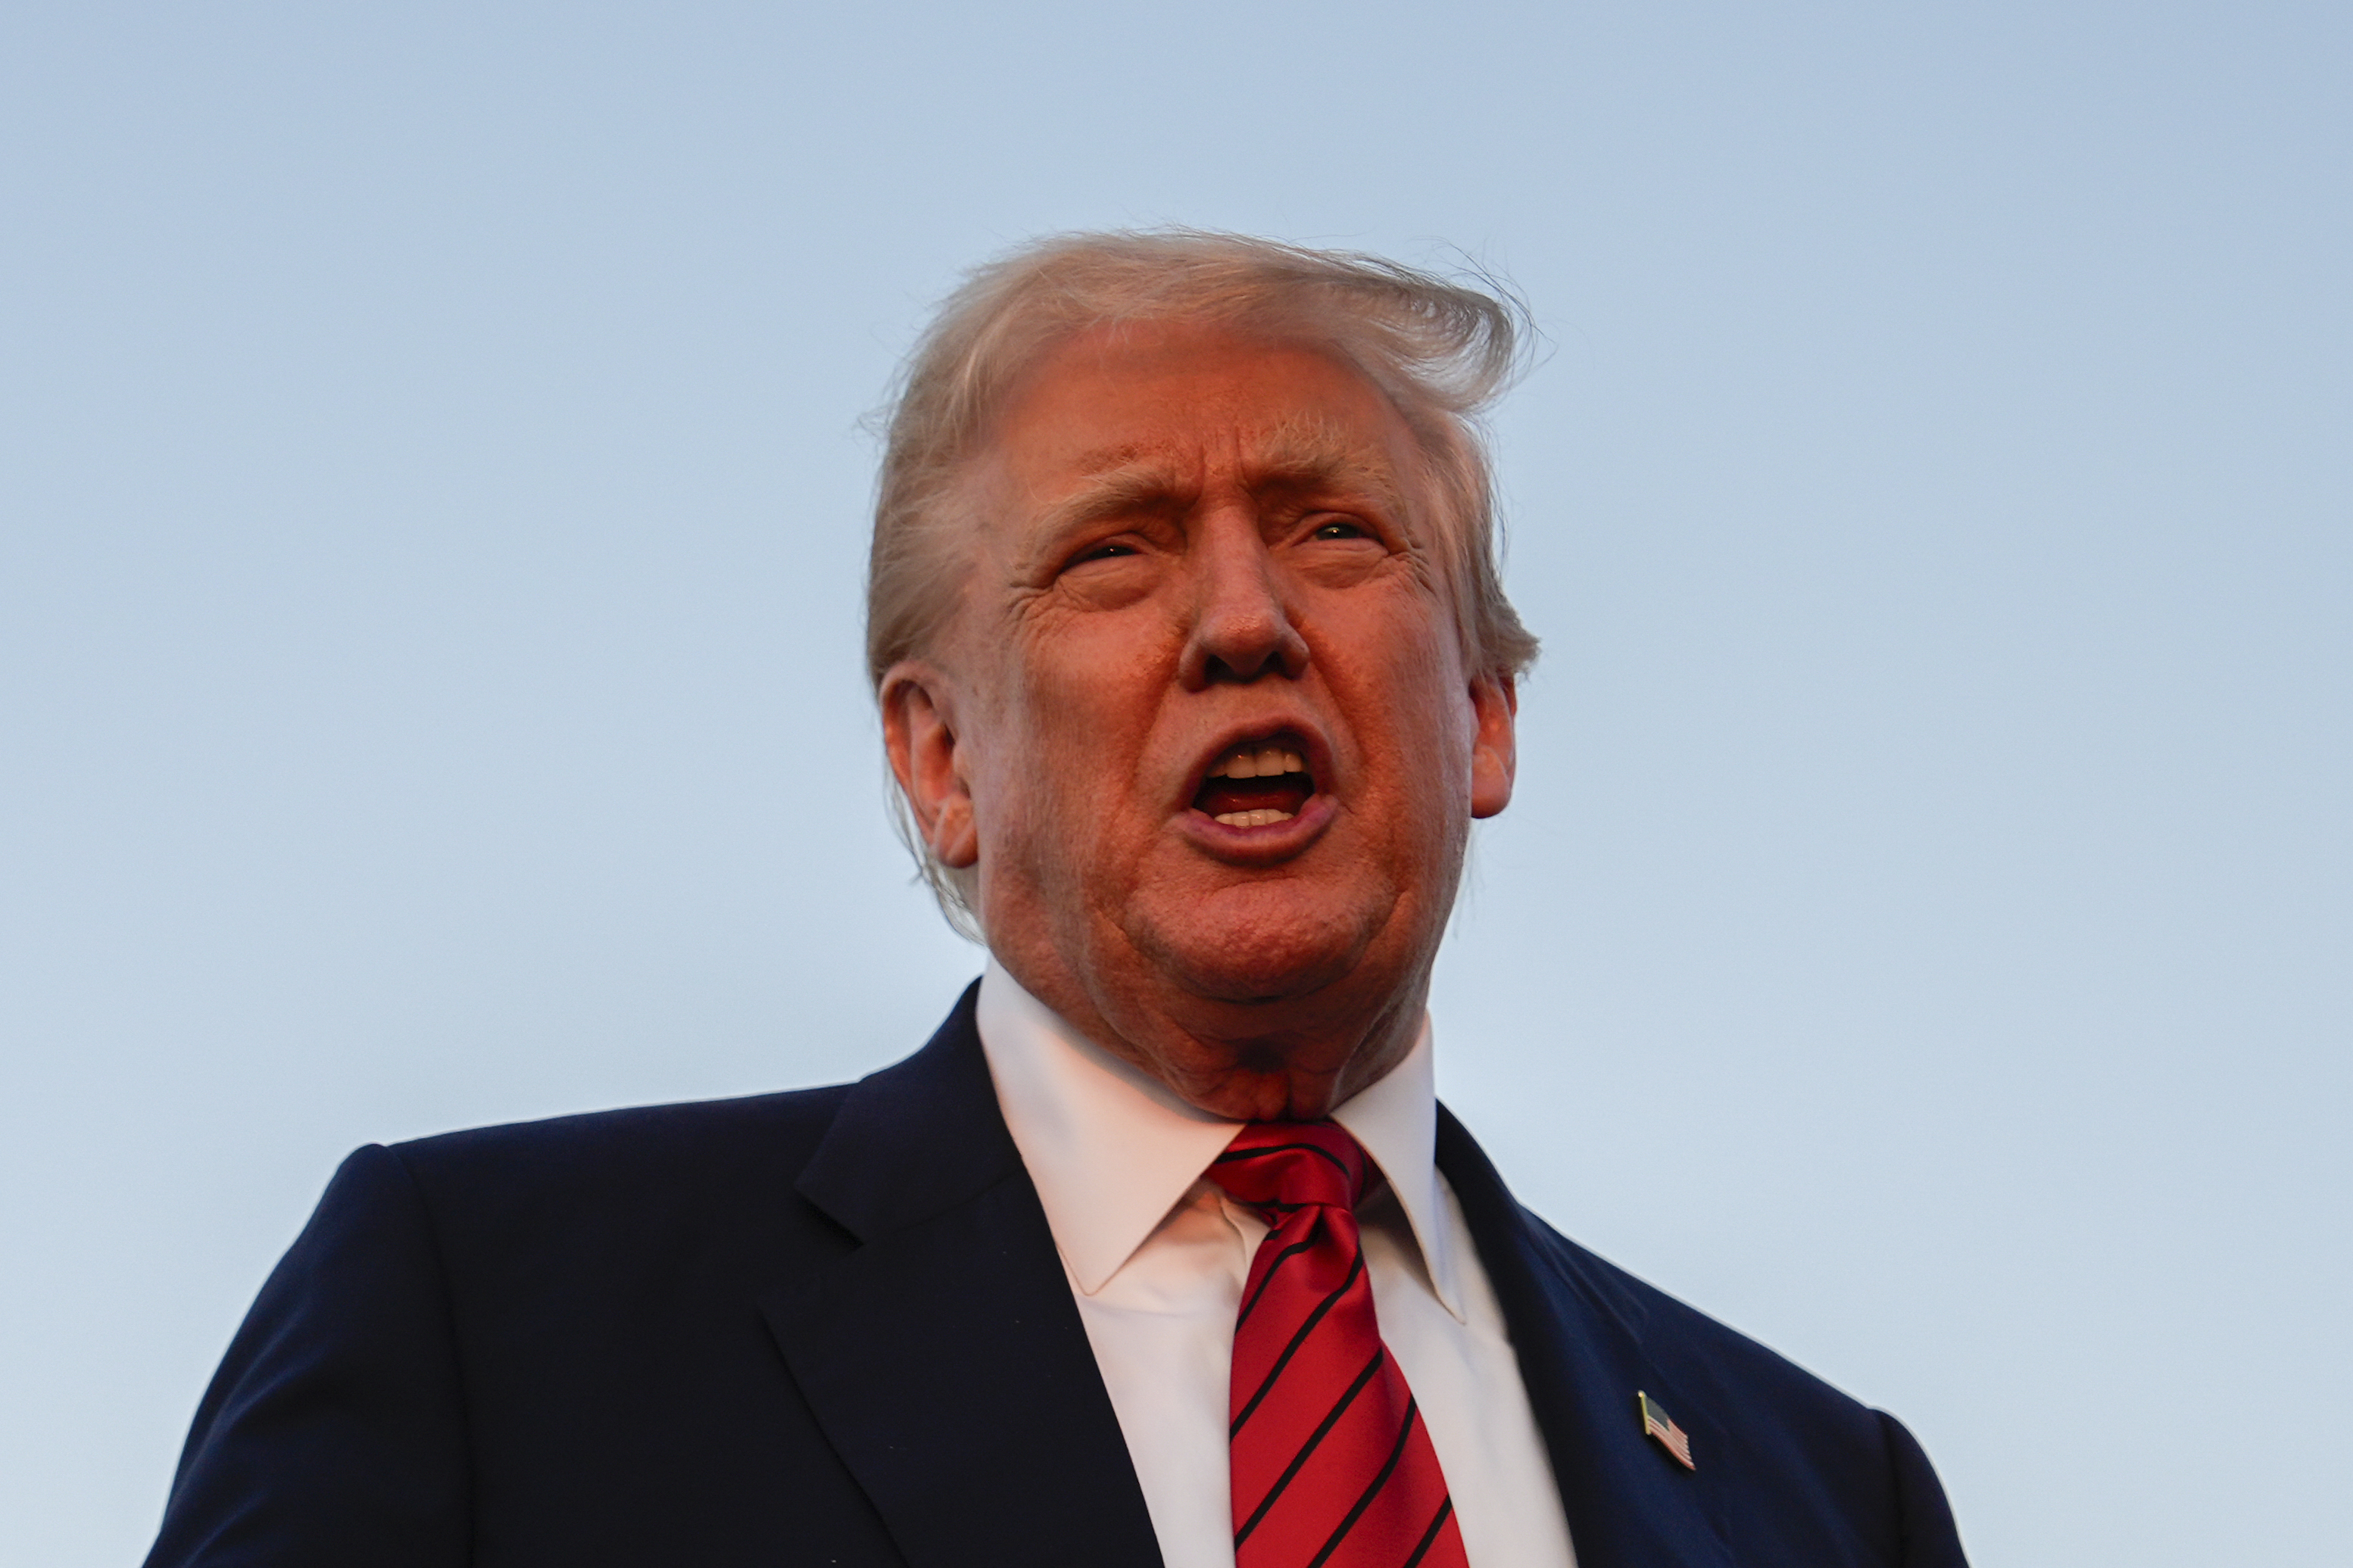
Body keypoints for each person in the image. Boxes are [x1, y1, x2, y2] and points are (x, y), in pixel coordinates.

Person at [144, 231, 1969, 1568]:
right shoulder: (485, 1318)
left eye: (1336, 530)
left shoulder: (1824, 1494)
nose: (1245, 621)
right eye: (1114, 553)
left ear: (1485, 712)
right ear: (940, 762)